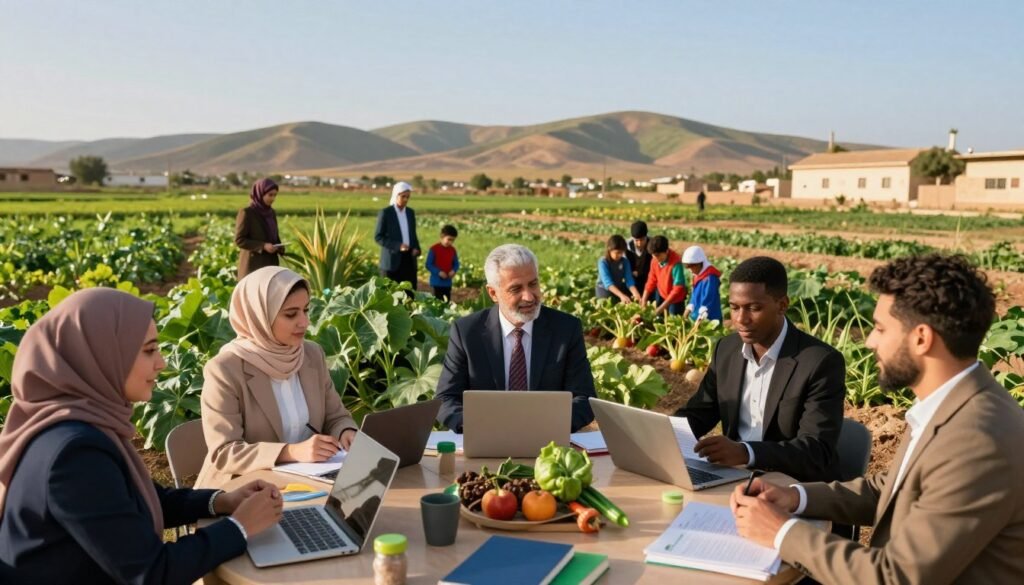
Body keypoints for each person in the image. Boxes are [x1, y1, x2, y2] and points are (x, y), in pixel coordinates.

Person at [731, 254, 1024, 584]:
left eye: (880, 328)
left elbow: (896, 577)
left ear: (921, 338)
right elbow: (892, 489)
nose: (870, 341)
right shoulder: (954, 406)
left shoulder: (978, 440)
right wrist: (796, 497)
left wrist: (781, 532)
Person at [0, 288, 283, 585]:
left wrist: (221, 501)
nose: (161, 363)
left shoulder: (74, 422)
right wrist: (240, 527)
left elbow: (133, 500)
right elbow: (151, 574)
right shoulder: (73, 453)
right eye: (149, 350)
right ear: (103, 354)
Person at [675, 256, 845, 483]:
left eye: (753, 308)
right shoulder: (727, 349)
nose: (741, 319)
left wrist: (746, 452)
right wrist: (661, 433)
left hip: (795, 486)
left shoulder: (819, 362)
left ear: (782, 305)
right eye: (734, 308)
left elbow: (816, 450)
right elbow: (700, 412)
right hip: (734, 478)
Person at [197, 267, 358, 489]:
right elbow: (225, 453)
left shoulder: (311, 354)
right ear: (259, 316)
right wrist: (291, 452)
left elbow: (336, 416)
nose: (304, 322)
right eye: (291, 314)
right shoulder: (225, 369)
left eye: (306, 310)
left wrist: (346, 432)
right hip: (243, 492)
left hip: (308, 483)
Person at [435, 244, 597, 433]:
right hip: (487, 439)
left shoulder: (566, 329)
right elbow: (446, 398)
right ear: (493, 293)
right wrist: (479, 427)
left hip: (548, 442)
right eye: (516, 289)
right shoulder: (467, 332)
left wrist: (542, 427)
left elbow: (584, 398)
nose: (528, 296)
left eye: (533, 284)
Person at [235, 178, 285, 280]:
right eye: (270, 195)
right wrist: (262, 246)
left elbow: (274, 236)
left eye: (275, 195)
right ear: (259, 193)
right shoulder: (247, 213)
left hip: (270, 266)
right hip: (253, 268)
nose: (272, 198)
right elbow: (239, 240)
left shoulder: (271, 213)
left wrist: (279, 246)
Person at [374, 181, 421, 292]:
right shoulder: (386, 213)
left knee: (409, 293)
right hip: (391, 261)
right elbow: (378, 237)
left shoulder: (410, 213)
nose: (405, 199)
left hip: (408, 259)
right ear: (396, 195)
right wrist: (398, 245)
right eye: (403, 196)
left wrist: (417, 248)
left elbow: (413, 234)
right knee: (390, 294)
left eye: (408, 197)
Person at [639, 235, 687, 316]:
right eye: (653, 256)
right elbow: (651, 279)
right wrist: (644, 299)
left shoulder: (676, 263)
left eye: (658, 256)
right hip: (662, 293)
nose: (656, 259)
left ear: (666, 251)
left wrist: (661, 308)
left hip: (675, 299)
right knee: (659, 319)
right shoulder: (655, 260)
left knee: (673, 320)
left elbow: (677, 288)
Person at [681, 245, 723, 321]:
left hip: (710, 318)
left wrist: (701, 317)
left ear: (699, 264)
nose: (690, 270)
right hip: (696, 316)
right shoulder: (696, 275)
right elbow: (694, 296)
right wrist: (688, 309)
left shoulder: (710, 278)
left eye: (691, 267)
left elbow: (708, 301)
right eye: (687, 267)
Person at [596, 235, 641, 304]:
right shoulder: (603, 262)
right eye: (617, 253)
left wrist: (636, 293)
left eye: (621, 253)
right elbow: (608, 283)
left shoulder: (625, 261)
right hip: (605, 289)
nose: (620, 255)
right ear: (609, 250)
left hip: (618, 287)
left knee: (630, 300)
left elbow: (629, 280)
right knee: (608, 304)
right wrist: (621, 295)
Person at [425, 224, 460, 302]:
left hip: (447, 283)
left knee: (446, 302)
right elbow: (428, 264)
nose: (450, 242)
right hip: (436, 282)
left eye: (452, 240)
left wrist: (453, 271)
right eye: (449, 239)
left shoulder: (452, 250)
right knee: (436, 302)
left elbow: (456, 264)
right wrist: (438, 272)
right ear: (442, 236)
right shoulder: (434, 249)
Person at [625, 220, 653, 292]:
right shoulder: (627, 246)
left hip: (650, 279)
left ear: (646, 236)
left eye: (642, 240)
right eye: (636, 240)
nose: (639, 243)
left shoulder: (653, 244)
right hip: (631, 280)